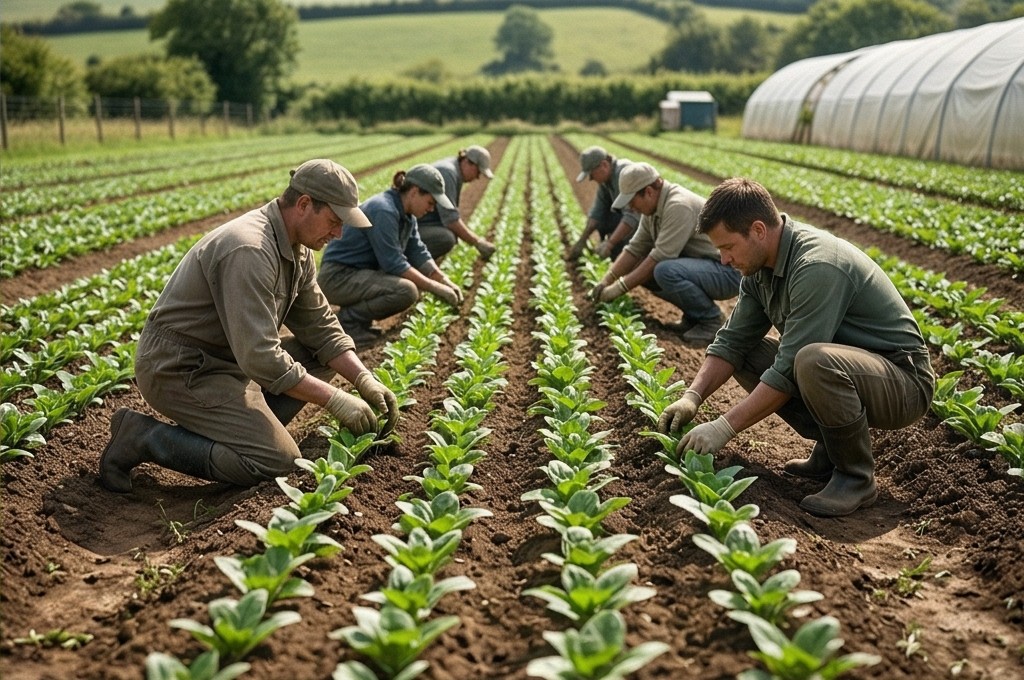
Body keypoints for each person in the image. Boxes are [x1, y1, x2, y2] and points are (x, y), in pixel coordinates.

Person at [99, 159, 399, 493]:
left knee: (316, 355)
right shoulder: (250, 249)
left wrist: (363, 379)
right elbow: (259, 356)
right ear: (303, 205)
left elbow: (322, 329)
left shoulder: (297, 249)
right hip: (182, 369)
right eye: (333, 221)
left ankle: (245, 427)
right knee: (277, 462)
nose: (338, 233)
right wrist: (334, 399)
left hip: (229, 363)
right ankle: (142, 437)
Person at [658, 177, 935, 517]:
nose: (724, 260)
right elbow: (732, 341)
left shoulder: (817, 266)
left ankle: (856, 477)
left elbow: (789, 368)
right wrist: (692, 397)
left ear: (758, 230)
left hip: (903, 382)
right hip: (855, 371)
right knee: (753, 353)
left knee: (812, 361)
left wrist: (723, 427)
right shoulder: (759, 268)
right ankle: (831, 451)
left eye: (728, 247)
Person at [587, 162, 741, 345]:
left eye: (632, 201)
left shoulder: (678, 205)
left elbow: (659, 256)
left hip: (728, 271)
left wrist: (618, 289)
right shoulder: (651, 211)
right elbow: (635, 248)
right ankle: (693, 317)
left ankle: (711, 320)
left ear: (649, 192)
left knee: (663, 270)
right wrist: (607, 279)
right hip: (704, 267)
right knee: (643, 269)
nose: (630, 209)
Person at [317, 164, 465, 346]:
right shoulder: (384, 210)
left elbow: (418, 251)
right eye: (430, 202)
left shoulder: (408, 216)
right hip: (337, 278)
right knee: (406, 290)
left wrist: (444, 280)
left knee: (409, 285)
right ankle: (348, 322)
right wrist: (435, 287)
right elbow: (393, 263)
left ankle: (358, 322)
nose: (431, 209)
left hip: (356, 274)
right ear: (414, 192)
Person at [416, 145, 496, 261]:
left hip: (418, 223)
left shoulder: (452, 169)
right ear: (468, 162)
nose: (478, 177)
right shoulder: (448, 173)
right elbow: (450, 220)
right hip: (406, 227)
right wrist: (478, 242)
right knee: (446, 237)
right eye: (478, 172)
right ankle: (407, 265)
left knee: (449, 233)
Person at [568, 146, 640, 261]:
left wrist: (610, 243)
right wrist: (582, 241)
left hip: (645, 222)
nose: (590, 179)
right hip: (630, 218)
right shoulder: (605, 182)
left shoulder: (624, 174)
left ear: (604, 165)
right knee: (602, 221)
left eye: (591, 174)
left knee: (624, 237)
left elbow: (632, 216)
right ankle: (615, 253)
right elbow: (597, 212)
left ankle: (626, 256)